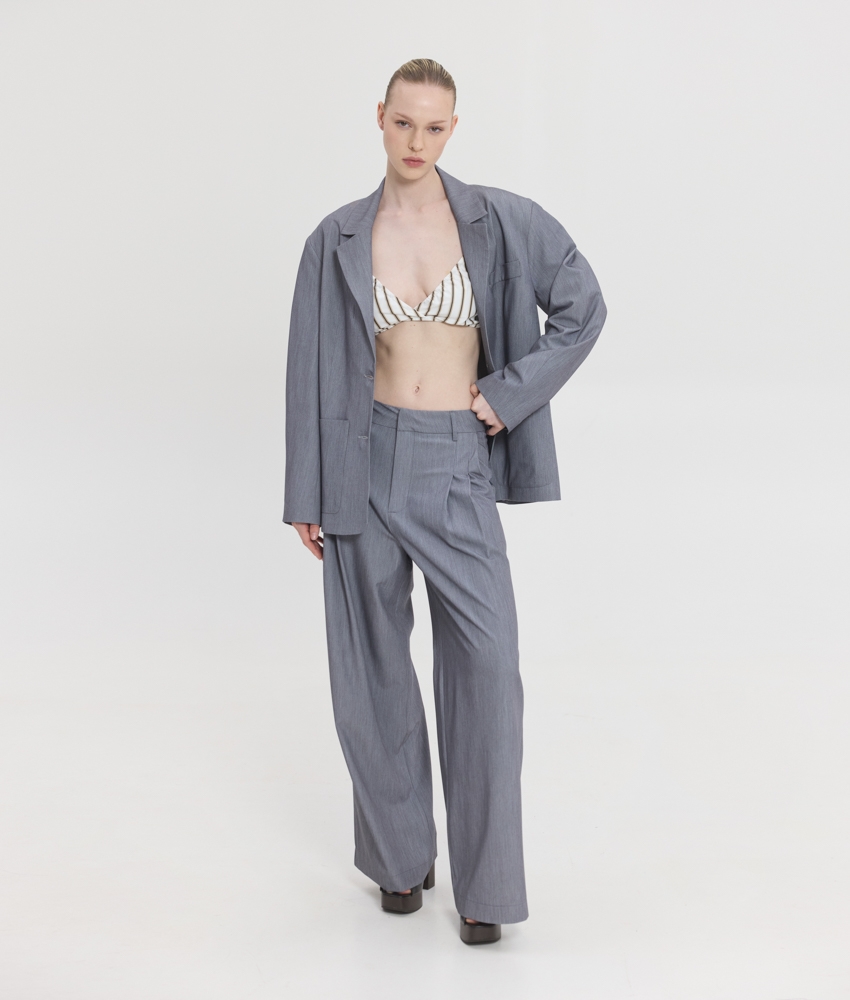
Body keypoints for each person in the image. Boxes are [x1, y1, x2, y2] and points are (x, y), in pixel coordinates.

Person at [283, 58, 607, 945]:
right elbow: (309, 368)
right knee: (371, 674)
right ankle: (399, 859)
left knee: (488, 672)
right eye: (404, 123)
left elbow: (583, 306)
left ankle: (486, 885)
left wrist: (508, 394)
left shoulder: (500, 220)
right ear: (379, 119)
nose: (417, 141)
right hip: (359, 464)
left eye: (434, 127)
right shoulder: (335, 238)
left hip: (457, 461)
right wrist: (306, 488)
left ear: (452, 129)